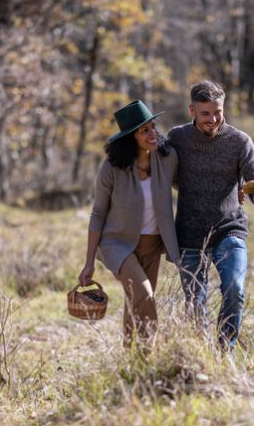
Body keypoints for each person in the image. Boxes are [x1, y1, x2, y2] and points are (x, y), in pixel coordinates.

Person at [167, 80, 254, 350]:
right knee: (195, 301)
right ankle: (201, 355)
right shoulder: (177, 138)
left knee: (234, 289)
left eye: (218, 112)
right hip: (189, 233)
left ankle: (226, 350)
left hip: (229, 228)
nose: (213, 119)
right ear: (192, 110)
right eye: (206, 113)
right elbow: (167, 176)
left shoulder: (240, 141)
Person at [79, 100, 180, 350]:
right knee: (144, 295)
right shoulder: (112, 168)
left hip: (152, 244)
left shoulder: (167, 159)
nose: (152, 134)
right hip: (118, 245)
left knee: (136, 301)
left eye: (153, 127)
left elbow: (186, 185)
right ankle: (150, 355)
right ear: (130, 138)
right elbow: (98, 213)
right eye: (144, 130)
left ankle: (131, 358)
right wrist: (89, 261)